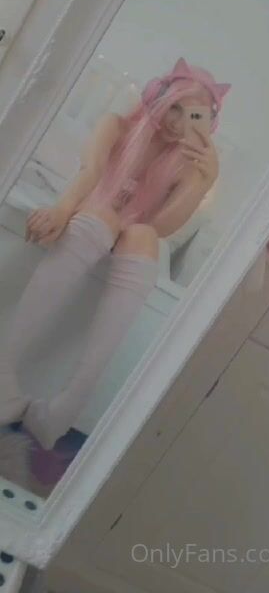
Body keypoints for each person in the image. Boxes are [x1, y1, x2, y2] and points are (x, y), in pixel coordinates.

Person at [0, 58, 231, 449]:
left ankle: (67, 406)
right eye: (174, 106)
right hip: (93, 216)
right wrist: (62, 209)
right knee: (106, 215)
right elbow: (89, 173)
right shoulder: (116, 126)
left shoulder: (188, 167)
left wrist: (204, 180)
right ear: (158, 97)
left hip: (129, 239)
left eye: (192, 115)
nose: (177, 122)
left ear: (207, 123)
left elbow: (161, 227)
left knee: (143, 236)